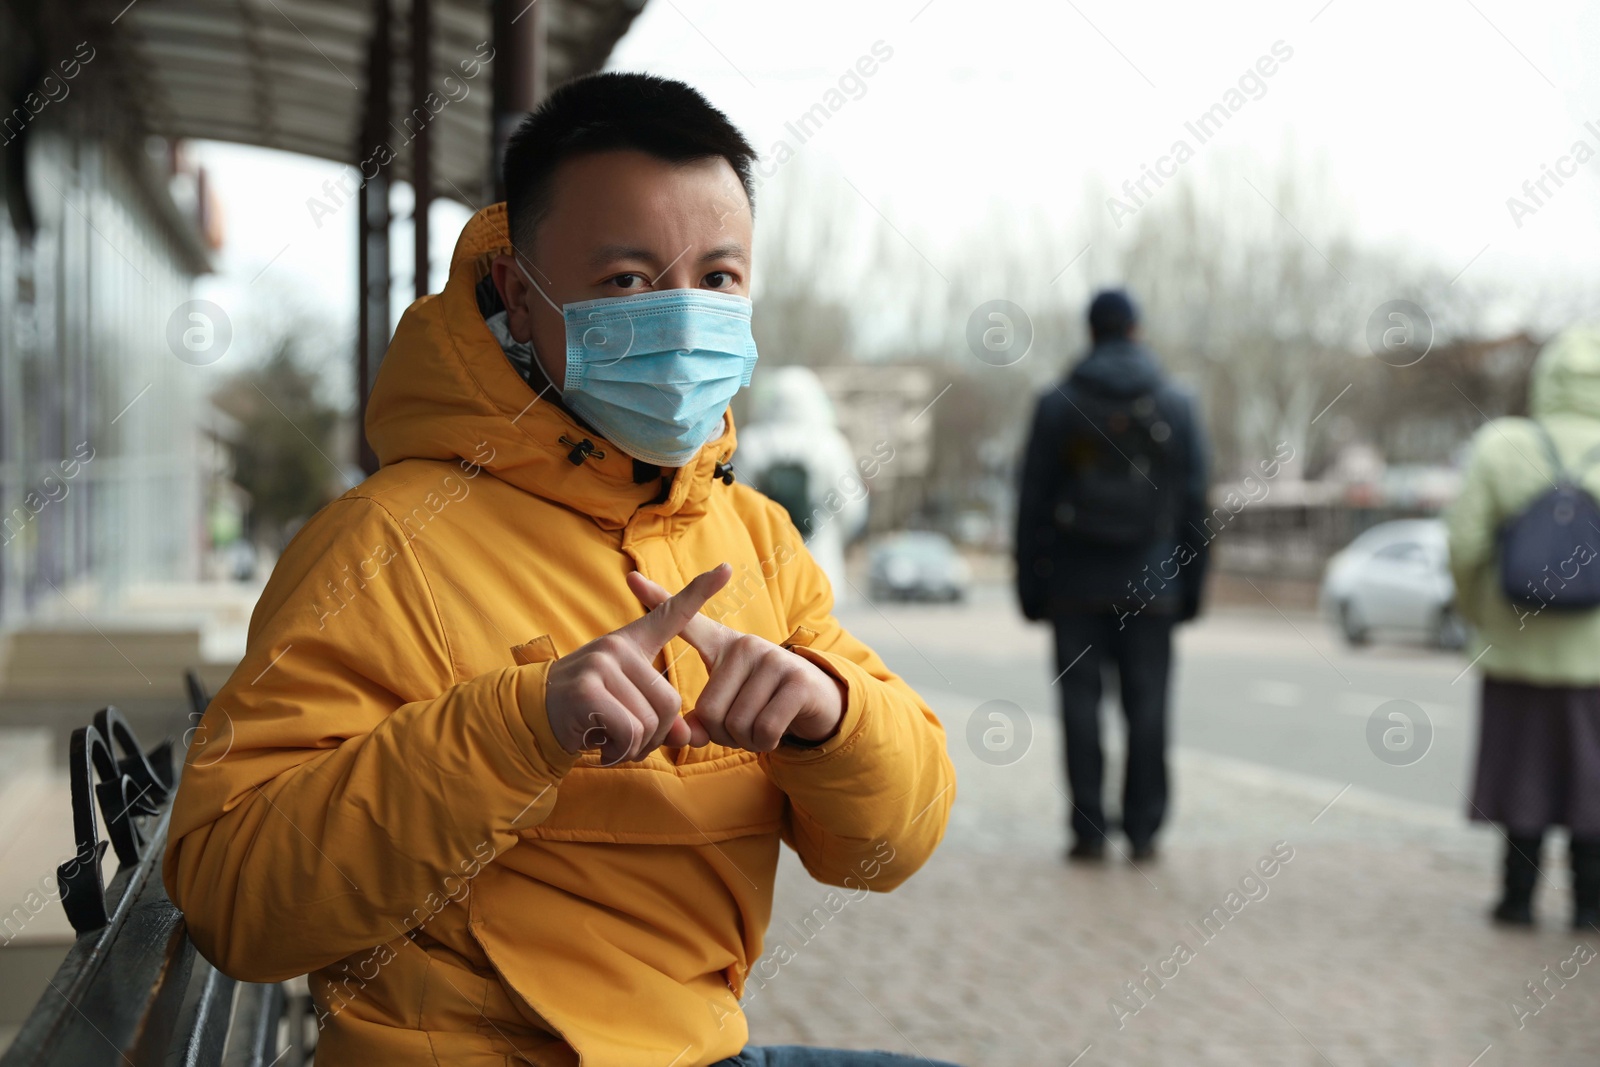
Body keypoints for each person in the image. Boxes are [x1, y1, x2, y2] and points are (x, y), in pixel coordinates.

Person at [164, 73, 958, 1067]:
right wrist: (517, 725)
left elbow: (893, 843)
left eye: (717, 277)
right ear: (516, 296)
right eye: (626, 278)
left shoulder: (754, 536)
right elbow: (237, 903)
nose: (682, 314)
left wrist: (831, 715)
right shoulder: (377, 547)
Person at [1014, 290, 1208, 863]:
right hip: (1154, 586)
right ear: (1137, 330)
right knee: (1148, 707)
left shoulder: (1057, 403)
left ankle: (1088, 829)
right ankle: (1145, 830)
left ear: (1091, 332)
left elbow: (1031, 504)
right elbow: (1196, 504)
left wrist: (1032, 588)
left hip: (1075, 585)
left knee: (1080, 705)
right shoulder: (1178, 403)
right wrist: (1190, 589)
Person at [1446, 324, 1600, 930]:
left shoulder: (1502, 445)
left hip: (1515, 646)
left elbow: (1463, 543)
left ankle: (1516, 898)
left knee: (1520, 771)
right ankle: (1590, 904)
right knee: (1594, 775)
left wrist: (1477, 611)